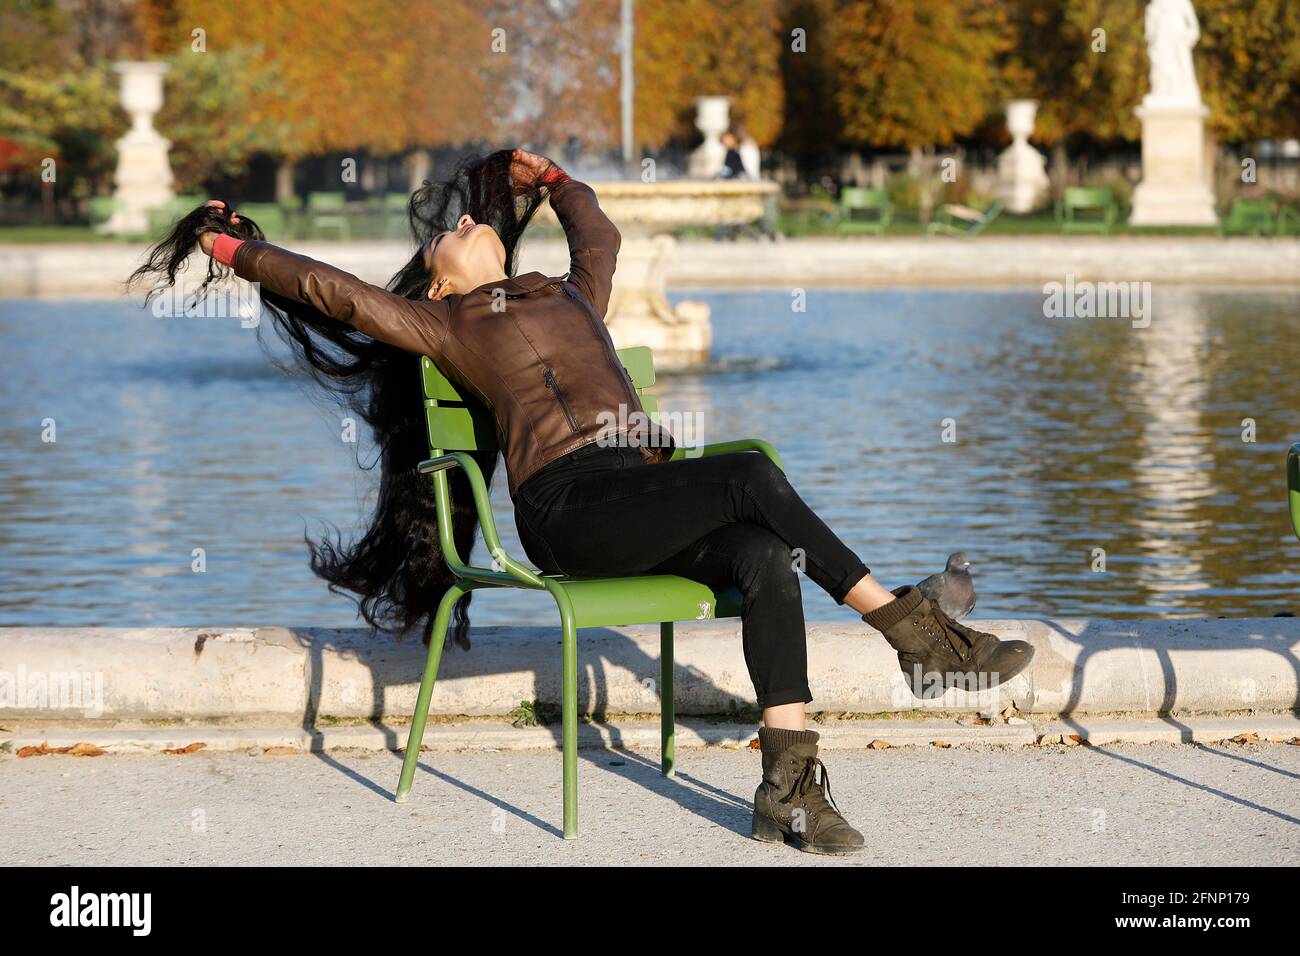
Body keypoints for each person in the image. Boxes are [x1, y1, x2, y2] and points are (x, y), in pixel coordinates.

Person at [133, 148, 1033, 856]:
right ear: (438, 278)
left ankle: (788, 783)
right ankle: (915, 632)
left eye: (475, 219)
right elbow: (330, 290)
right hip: (569, 515)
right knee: (750, 474)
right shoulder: (443, 324)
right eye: (448, 232)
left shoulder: (576, 295)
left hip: (643, 499)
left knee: (764, 556)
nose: (468, 222)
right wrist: (224, 245)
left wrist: (557, 179)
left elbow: (598, 234)